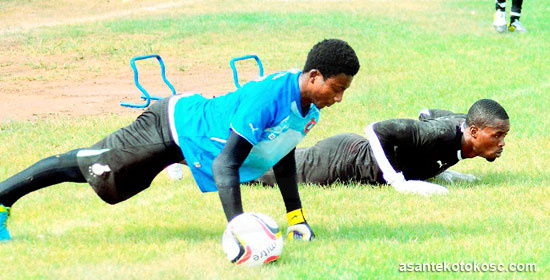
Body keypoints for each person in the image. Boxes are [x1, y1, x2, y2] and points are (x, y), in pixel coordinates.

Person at [0, 38, 361, 242]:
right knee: (91, 167)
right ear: (314, 76)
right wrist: (239, 228)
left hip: (190, 144)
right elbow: (226, 163)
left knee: (123, 187)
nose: (339, 98)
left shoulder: (310, 109)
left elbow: (281, 156)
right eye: (336, 87)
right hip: (170, 125)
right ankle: (2, 200)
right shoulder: (269, 97)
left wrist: (296, 217)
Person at [255, 99, 510, 196]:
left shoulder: (461, 130)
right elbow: (377, 129)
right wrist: (398, 181)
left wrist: (437, 168)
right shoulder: (440, 133)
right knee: (262, 171)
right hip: (343, 162)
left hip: (349, 156)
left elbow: (427, 112)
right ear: (474, 132)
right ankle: (221, 158)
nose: (501, 143)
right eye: (497, 135)